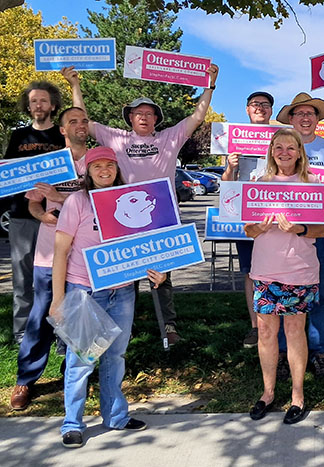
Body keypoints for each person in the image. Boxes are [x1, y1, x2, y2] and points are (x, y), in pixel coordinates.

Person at [63, 64, 219, 345]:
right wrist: (75, 85)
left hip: (161, 216)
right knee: (126, 273)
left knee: (161, 274)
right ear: (130, 118)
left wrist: (209, 85)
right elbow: (83, 120)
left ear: (156, 119)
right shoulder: (116, 138)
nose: (144, 117)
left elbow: (197, 117)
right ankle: (125, 324)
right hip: (122, 215)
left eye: (149, 113)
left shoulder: (169, 137)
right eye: (138, 113)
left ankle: (168, 327)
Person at [49, 146, 166, 448]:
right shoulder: (77, 201)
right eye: (97, 166)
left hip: (123, 291)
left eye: (109, 166)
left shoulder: (128, 199)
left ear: (117, 169)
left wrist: (159, 269)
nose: (104, 171)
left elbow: (146, 243)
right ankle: (72, 424)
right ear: (87, 171)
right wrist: (57, 298)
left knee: (115, 356)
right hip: (85, 291)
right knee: (81, 361)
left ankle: (115, 416)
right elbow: (61, 252)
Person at [9, 107, 89, 411]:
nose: (80, 126)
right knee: (41, 316)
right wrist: (45, 214)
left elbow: (101, 201)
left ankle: (75, 376)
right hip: (49, 253)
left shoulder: (100, 161)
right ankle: (25, 379)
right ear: (62, 130)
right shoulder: (49, 164)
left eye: (84, 121)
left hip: (83, 257)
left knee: (79, 317)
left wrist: (59, 199)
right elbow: (33, 206)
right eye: (73, 122)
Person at [245, 128, 324, 425]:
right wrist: (260, 228)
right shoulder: (259, 184)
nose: (284, 152)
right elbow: (247, 230)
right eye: (278, 147)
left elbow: (321, 230)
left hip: (300, 270)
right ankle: (267, 394)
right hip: (266, 269)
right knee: (266, 333)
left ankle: (297, 396)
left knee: (295, 332)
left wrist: (298, 229)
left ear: (299, 152)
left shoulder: (313, 184)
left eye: (290, 147)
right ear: (271, 151)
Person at [276, 92, 324, 378]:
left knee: (322, 293)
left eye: (311, 113)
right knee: (283, 293)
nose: (306, 118)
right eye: (299, 113)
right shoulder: (278, 149)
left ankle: (321, 352)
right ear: (291, 119)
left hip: (322, 233)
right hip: (285, 236)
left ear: (317, 119)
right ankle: (282, 352)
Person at [4, 80, 65, 344]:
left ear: (52, 105)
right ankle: (22, 334)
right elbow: (7, 173)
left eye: (42, 100)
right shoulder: (18, 136)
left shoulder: (61, 135)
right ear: (27, 107)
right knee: (22, 276)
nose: (37, 105)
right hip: (22, 215)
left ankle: (58, 330)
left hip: (55, 216)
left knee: (58, 276)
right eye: (33, 101)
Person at [222, 90, 275, 349]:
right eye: (255, 104)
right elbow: (225, 185)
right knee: (251, 272)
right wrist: (231, 167)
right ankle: (256, 327)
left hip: (276, 214)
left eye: (265, 105)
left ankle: (275, 322)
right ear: (247, 109)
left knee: (277, 268)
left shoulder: (280, 138)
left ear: (271, 111)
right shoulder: (235, 140)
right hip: (245, 215)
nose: (260, 108)